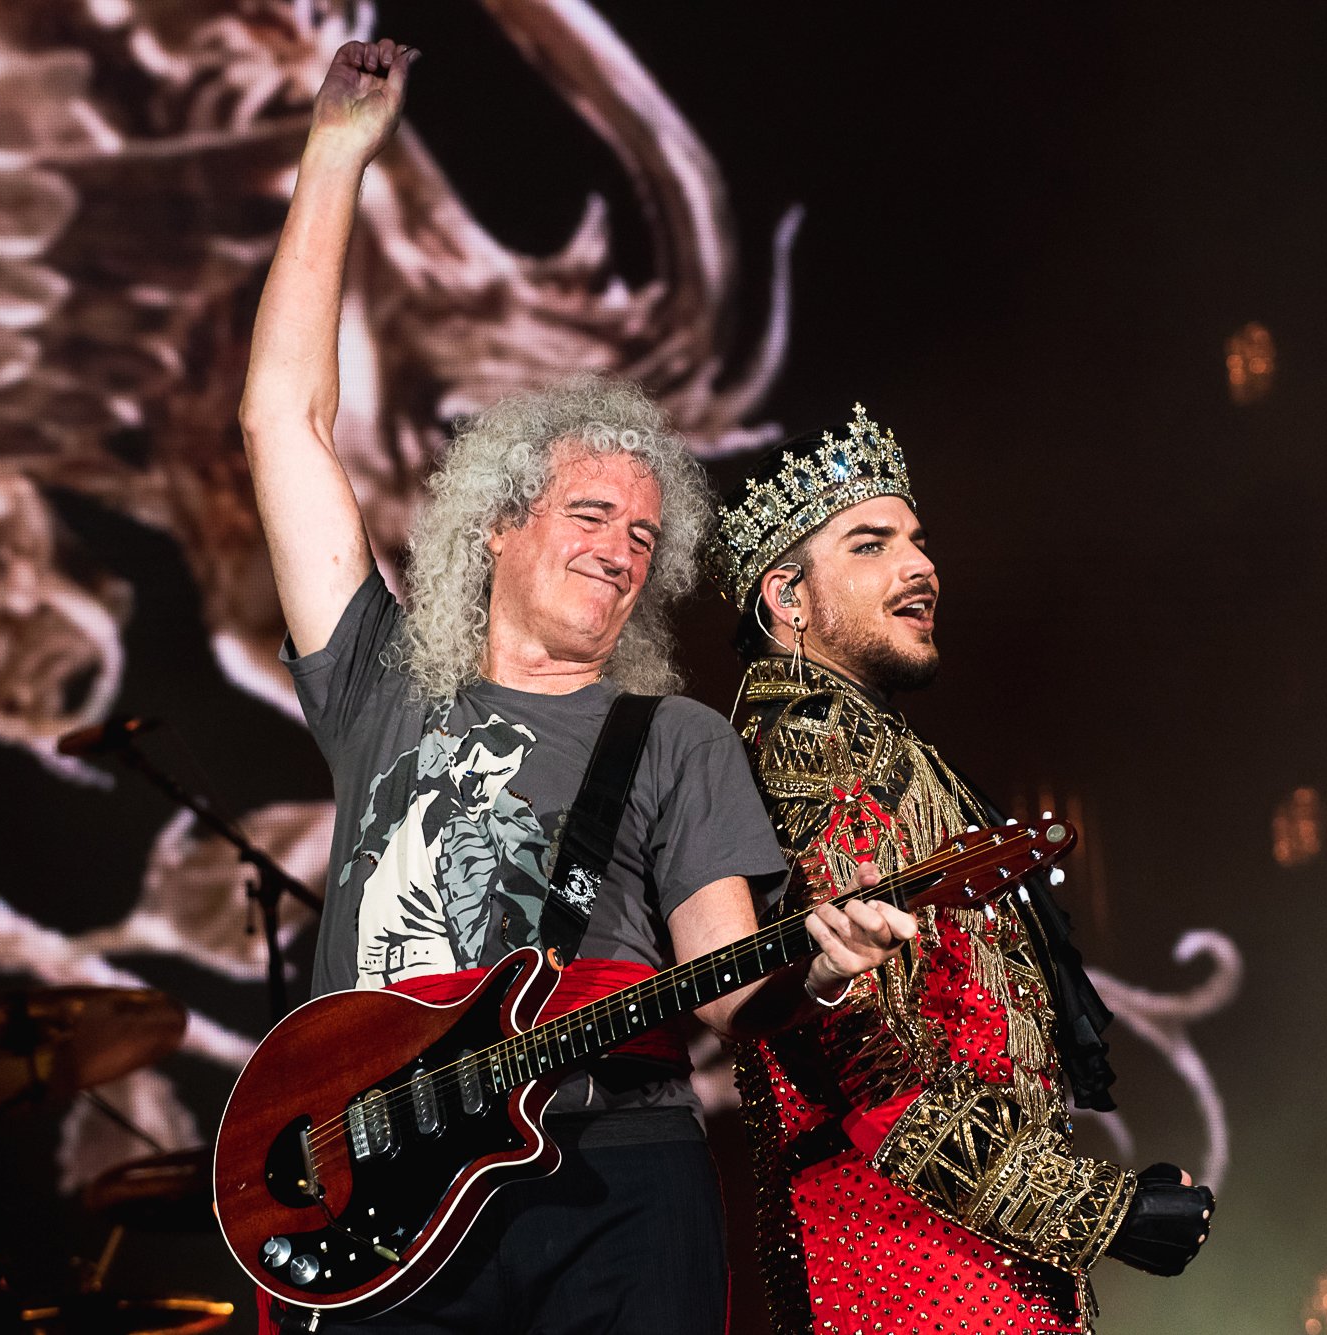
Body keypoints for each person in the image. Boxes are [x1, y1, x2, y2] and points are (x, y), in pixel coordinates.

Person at [239, 38, 917, 1334]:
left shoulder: (677, 740)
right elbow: (284, 417)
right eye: (592, 511)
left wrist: (819, 970)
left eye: (643, 537)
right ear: (499, 523)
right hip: (376, 1188)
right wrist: (335, 160)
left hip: (615, 1173)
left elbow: (725, 984)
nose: (619, 547)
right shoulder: (380, 677)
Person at [713, 406, 1216, 1333]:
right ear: (788, 598)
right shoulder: (807, 740)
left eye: (917, 540)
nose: (920, 566)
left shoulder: (868, 737)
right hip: (898, 1269)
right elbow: (860, 1054)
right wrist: (1098, 1211)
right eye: (872, 544)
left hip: (956, 1263)